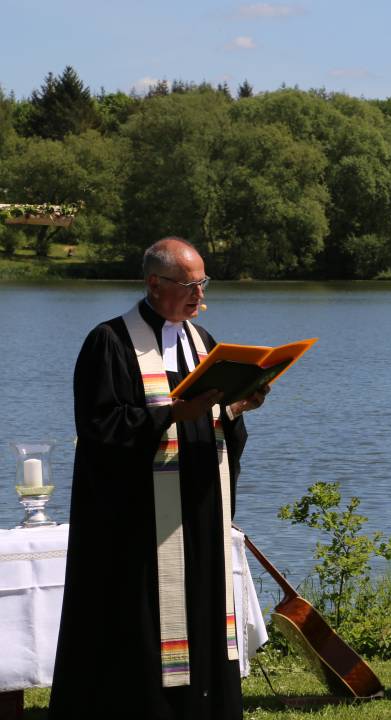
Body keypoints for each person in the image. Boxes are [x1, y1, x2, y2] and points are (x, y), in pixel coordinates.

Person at [49, 237, 268, 720]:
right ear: (154, 283)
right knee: (147, 620)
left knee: (203, 611)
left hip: (198, 508)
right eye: (189, 285)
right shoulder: (110, 342)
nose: (199, 296)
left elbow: (212, 422)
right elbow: (99, 428)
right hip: (139, 521)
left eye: (202, 284)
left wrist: (236, 406)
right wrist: (171, 413)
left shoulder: (203, 341)